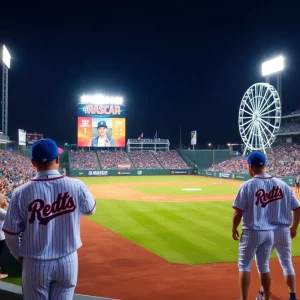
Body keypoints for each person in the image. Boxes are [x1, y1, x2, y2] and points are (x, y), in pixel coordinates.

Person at [3, 138, 96, 300]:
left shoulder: (20, 192)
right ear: (58, 159)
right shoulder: (77, 185)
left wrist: (18, 254)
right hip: (68, 261)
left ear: (33, 163)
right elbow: (90, 210)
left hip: (35, 263)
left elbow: (10, 233)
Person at [232, 152, 300, 300]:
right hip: (275, 231)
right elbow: (297, 207)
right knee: (270, 265)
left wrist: (233, 228)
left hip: (256, 230)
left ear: (250, 166)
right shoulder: (283, 184)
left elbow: (238, 211)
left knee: (245, 265)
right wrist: (294, 227)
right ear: (265, 165)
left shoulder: (248, 185)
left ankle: (247, 297)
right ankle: (277, 297)